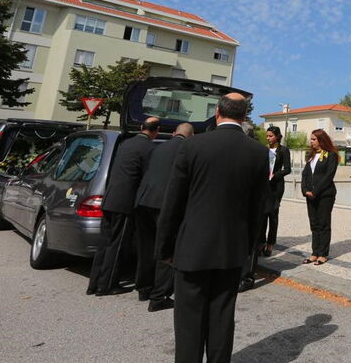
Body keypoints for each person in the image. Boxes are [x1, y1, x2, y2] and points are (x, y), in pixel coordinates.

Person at [156, 94, 269, 363]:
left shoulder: (193, 145)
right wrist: (248, 248)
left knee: (188, 322)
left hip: (191, 248)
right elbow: (259, 208)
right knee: (222, 317)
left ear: (217, 112)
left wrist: (165, 247)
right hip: (231, 250)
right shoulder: (258, 152)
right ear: (244, 116)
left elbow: (173, 203)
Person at [89, 117, 159, 297]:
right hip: (125, 203)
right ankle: (107, 286)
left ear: (142, 127)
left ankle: (94, 283)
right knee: (118, 245)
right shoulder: (150, 148)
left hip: (110, 198)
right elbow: (148, 177)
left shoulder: (125, 144)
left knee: (104, 243)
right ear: (156, 130)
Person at [133, 121, 193, 311]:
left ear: (174, 133)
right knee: (166, 249)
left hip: (143, 201)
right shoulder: (189, 149)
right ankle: (159, 296)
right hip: (165, 204)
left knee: (146, 247)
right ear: (190, 136)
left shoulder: (158, 147)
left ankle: (144, 289)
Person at [240, 126, 292, 291]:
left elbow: (288, 169)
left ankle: (271, 243)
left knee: (273, 215)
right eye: (267, 136)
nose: (268, 138)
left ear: (277, 137)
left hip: (276, 186)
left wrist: (275, 175)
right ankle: (261, 242)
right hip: (264, 185)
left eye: (270, 136)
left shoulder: (283, 150)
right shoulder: (264, 150)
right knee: (262, 214)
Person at [301, 129, 338, 265]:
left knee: (323, 224)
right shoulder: (311, 155)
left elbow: (329, 176)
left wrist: (315, 191)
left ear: (321, 140)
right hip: (310, 196)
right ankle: (314, 252)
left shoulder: (331, 155)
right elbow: (305, 174)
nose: (311, 142)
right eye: (311, 139)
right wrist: (304, 190)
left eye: (313, 139)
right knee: (314, 224)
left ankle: (323, 253)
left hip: (324, 195)